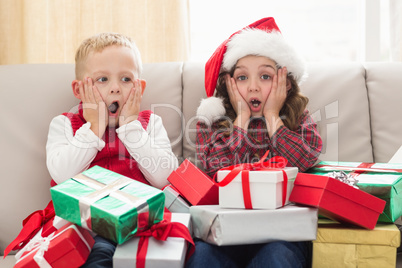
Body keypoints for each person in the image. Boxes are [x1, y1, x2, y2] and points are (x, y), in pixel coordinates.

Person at [188, 17, 322, 268]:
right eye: (241, 78)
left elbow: (304, 160)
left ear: (285, 82)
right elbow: (220, 172)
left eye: (264, 76)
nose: (252, 87)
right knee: (202, 259)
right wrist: (241, 121)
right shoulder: (212, 121)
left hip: (281, 234)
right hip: (224, 234)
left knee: (275, 259)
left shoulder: (297, 118)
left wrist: (272, 118)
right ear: (227, 84)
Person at [46, 32, 178, 267]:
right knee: (99, 255)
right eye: (103, 80)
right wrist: (94, 128)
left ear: (140, 87)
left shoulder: (149, 124)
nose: (116, 88)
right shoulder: (65, 124)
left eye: (126, 79)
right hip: (87, 228)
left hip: (139, 225)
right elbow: (62, 176)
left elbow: (164, 178)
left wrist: (131, 129)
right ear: (78, 90)